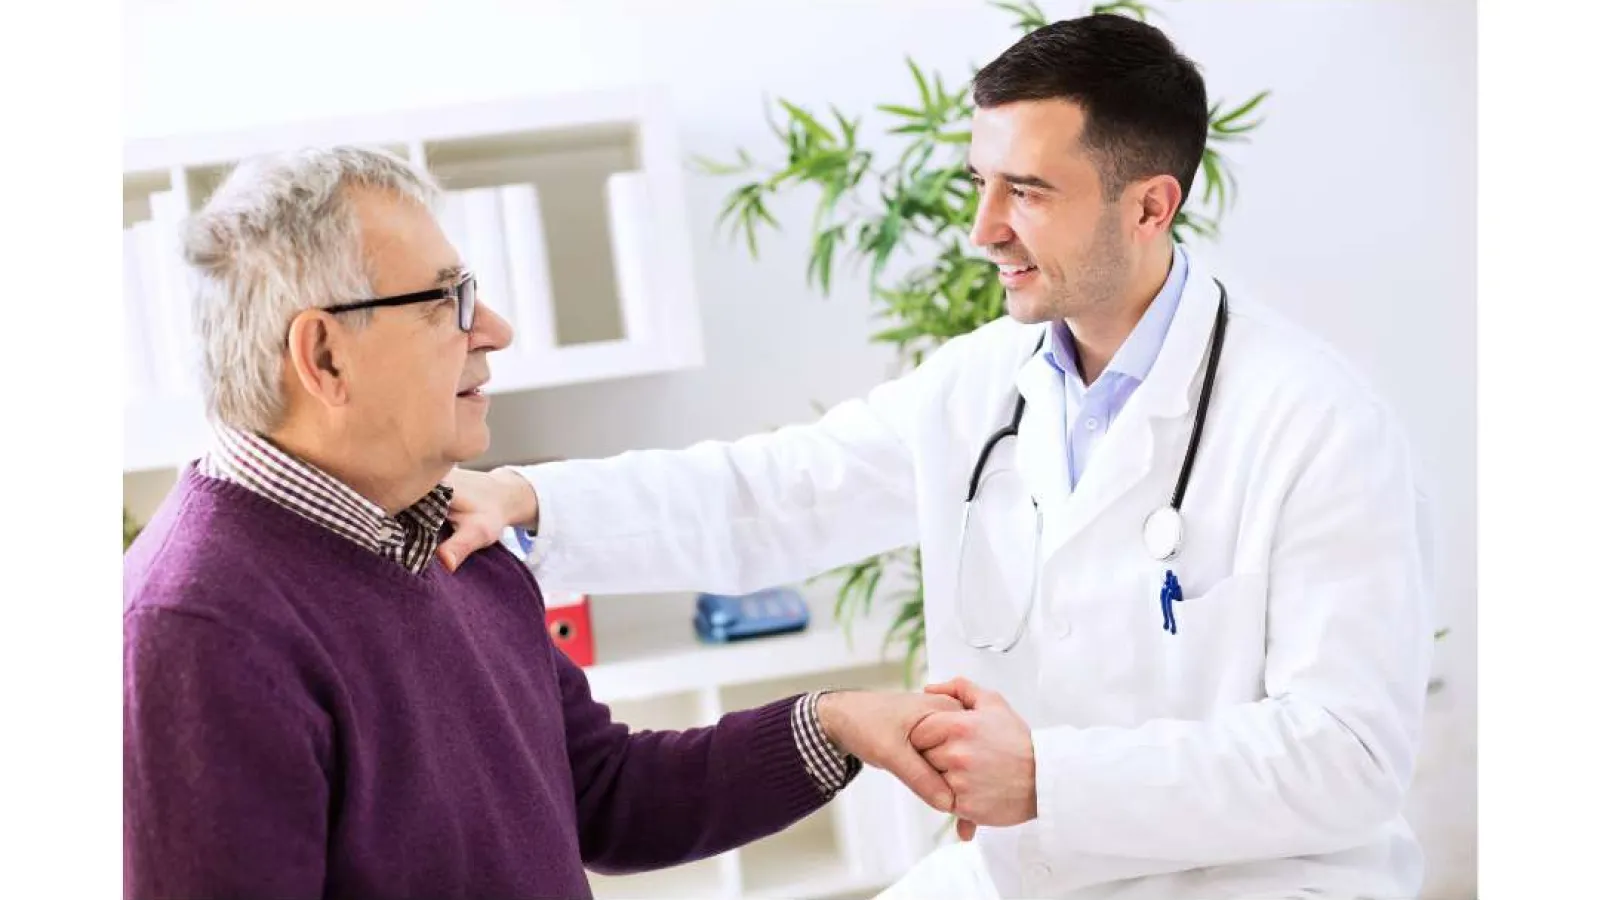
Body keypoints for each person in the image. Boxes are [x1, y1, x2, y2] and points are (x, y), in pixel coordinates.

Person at [439, 13, 1435, 900]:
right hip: (1027, 867)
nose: (981, 229)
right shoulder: (979, 384)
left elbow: (1347, 757)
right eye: (980, 183)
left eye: (1028, 192)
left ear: (1148, 206)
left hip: (1254, 878)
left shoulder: (1314, 423)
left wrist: (1047, 776)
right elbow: (775, 492)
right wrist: (526, 500)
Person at [121, 146, 963, 900]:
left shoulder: (448, 538)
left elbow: (602, 792)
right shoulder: (196, 631)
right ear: (325, 356)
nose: (493, 330)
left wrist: (835, 723)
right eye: (447, 301)